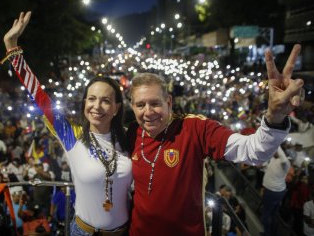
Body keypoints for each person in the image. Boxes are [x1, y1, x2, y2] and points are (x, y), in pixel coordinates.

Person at [126, 43, 304, 235]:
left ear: (169, 102)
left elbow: (254, 151)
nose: (148, 112)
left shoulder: (195, 128)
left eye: (155, 103)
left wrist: (275, 116)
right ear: (132, 106)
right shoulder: (130, 134)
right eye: (140, 105)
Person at [2, 11, 132, 235]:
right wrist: (12, 46)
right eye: (91, 99)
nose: (96, 106)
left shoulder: (131, 137)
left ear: (116, 107)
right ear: (84, 104)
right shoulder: (72, 135)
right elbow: (39, 97)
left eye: (105, 101)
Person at [261, 146, 290, 236]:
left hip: (273, 192)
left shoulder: (285, 163)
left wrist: (277, 144)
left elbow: (283, 159)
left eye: (274, 151)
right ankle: (273, 232)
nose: (272, 152)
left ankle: (267, 234)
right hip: (272, 190)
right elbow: (269, 170)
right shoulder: (273, 159)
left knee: (266, 215)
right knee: (273, 213)